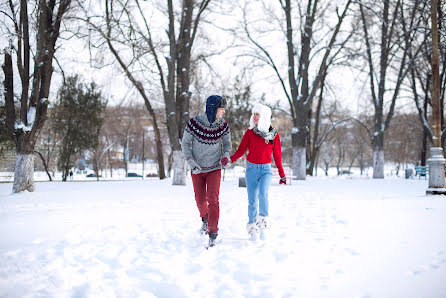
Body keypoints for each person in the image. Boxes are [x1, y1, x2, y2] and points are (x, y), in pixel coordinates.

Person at [230, 103, 286, 241]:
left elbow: (277, 156)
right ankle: (252, 228)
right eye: (253, 114)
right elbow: (241, 150)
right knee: (252, 200)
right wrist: (228, 160)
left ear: (264, 116)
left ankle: (262, 224)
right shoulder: (249, 133)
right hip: (251, 170)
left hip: (266, 170)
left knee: (263, 194)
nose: (254, 116)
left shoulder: (274, 135)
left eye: (257, 114)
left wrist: (282, 174)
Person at [181, 95, 232, 247]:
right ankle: (205, 219)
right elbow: (185, 143)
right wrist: (191, 162)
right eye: (221, 109)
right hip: (197, 168)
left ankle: (213, 231)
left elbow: (227, 144)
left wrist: (225, 156)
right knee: (200, 200)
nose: (223, 112)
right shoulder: (194, 123)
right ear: (213, 109)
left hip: (214, 168)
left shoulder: (223, 125)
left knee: (213, 199)